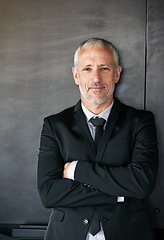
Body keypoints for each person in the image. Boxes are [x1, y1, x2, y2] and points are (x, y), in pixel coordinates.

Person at [37, 38, 158, 240]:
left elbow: (142, 183)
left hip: (128, 233)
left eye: (104, 68)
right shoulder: (54, 125)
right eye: (87, 69)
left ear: (117, 73)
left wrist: (76, 170)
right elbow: (48, 193)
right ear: (76, 75)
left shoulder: (140, 121)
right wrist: (120, 193)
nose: (96, 78)